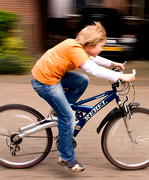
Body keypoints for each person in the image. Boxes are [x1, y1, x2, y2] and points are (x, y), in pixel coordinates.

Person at [31, 22, 135, 172]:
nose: (102, 49)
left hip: (53, 76)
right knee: (68, 117)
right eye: (101, 46)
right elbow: (92, 68)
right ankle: (66, 157)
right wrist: (121, 76)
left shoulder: (80, 48)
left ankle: (59, 109)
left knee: (82, 81)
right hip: (45, 81)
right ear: (90, 44)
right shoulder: (74, 49)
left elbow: (95, 59)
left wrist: (113, 63)